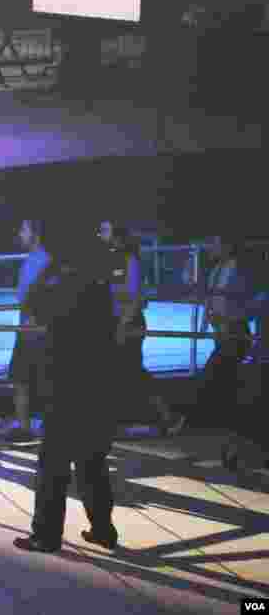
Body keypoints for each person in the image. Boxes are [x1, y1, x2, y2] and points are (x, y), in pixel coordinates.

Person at [13, 230, 121, 554]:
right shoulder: (100, 288)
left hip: (64, 383)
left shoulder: (62, 283)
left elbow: (31, 302)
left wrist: (49, 271)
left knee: (53, 462)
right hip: (97, 383)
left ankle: (45, 534)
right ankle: (103, 528)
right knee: (92, 462)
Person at [97, 221, 186, 435]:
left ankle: (169, 417)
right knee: (118, 372)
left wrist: (122, 325)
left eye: (105, 230)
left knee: (133, 372)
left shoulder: (129, 260)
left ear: (116, 235)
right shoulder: (109, 259)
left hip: (129, 324)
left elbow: (135, 298)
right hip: (115, 323)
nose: (100, 233)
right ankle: (118, 421)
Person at [194, 236, 255, 428]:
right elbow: (211, 297)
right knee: (226, 375)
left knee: (216, 372)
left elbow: (245, 302)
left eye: (215, 244)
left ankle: (220, 418)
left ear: (228, 246)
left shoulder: (239, 270)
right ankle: (229, 419)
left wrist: (228, 320)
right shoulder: (216, 269)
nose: (211, 248)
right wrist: (207, 320)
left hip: (234, 330)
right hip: (221, 331)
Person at [3, 219, 52, 443]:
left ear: (35, 233)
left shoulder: (39, 260)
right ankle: (27, 425)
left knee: (24, 379)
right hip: (31, 329)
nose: (19, 233)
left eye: (24, 229)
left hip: (33, 331)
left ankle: (27, 426)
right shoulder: (37, 259)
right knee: (26, 379)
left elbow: (36, 297)